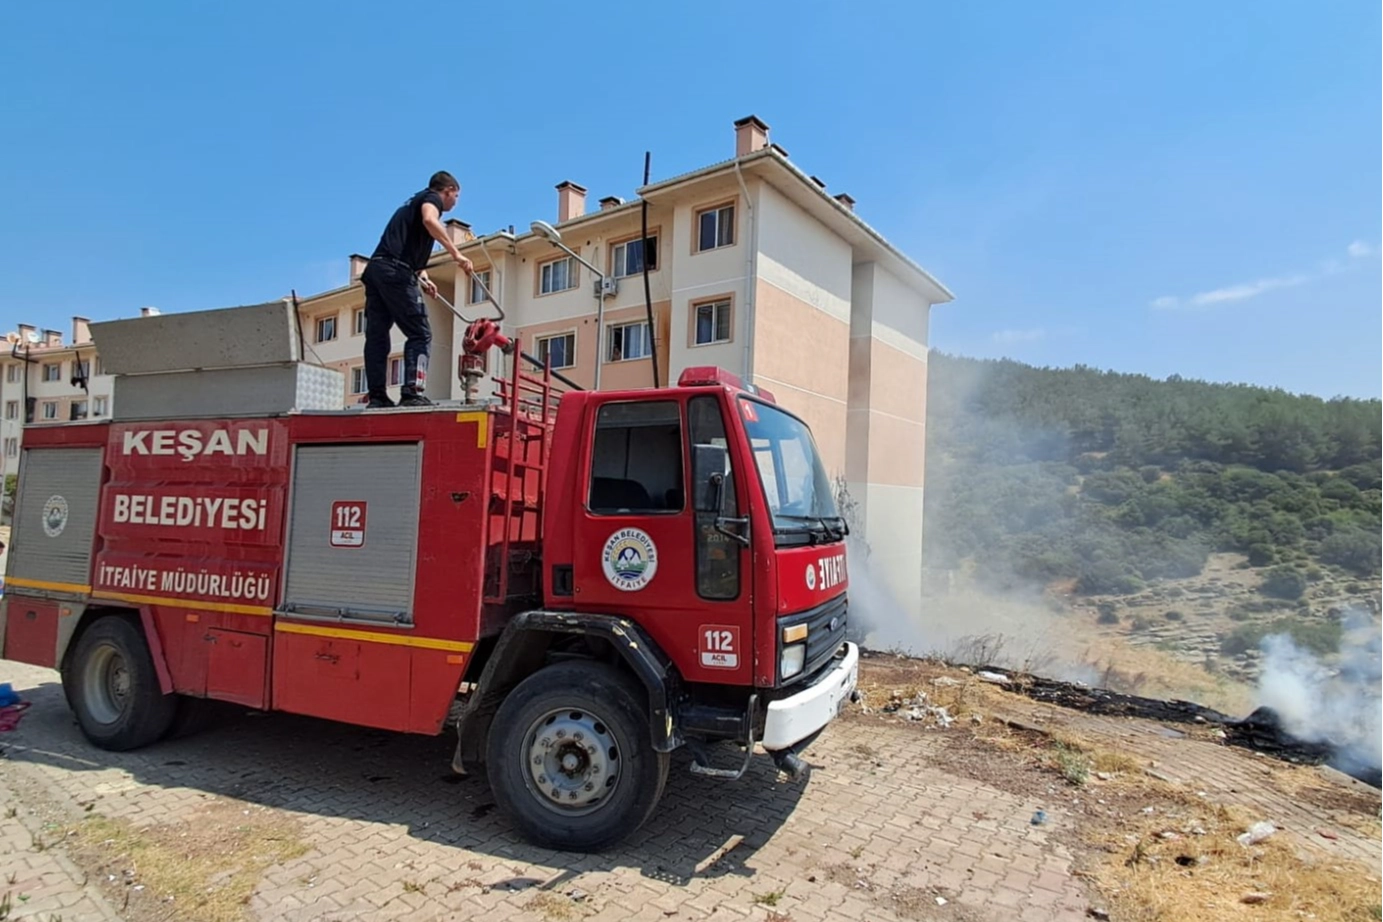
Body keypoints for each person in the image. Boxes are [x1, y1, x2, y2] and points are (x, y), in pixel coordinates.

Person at [361, 171, 473, 408]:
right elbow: (430, 221)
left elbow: (406, 245)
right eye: (457, 196)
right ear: (449, 190)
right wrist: (457, 254)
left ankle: (377, 396)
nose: (456, 202)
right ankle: (413, 391)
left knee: (377, 336)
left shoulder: (411, 203)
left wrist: (423, 276)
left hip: (377, 269)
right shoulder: (431, 199)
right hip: (395, 272)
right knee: (420, 333)